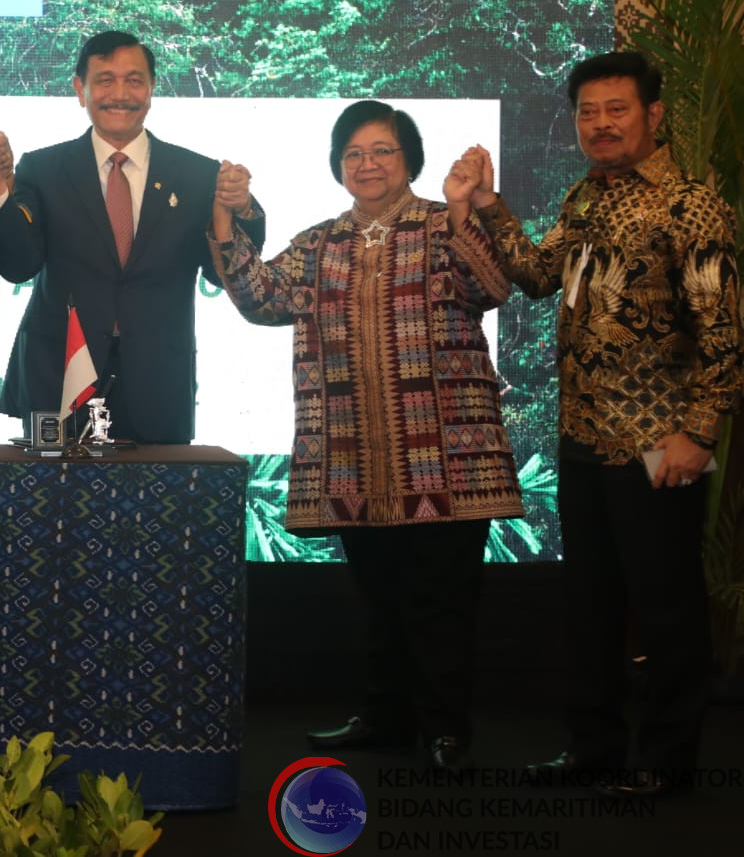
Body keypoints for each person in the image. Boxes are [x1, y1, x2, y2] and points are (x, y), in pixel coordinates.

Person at [212, 100, 524, 770]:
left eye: (382, 151)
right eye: (354, 154)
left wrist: (466, 208)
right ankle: (386, 718)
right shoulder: (319, 242)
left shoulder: (444, 227)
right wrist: (227, 217)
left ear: (408, 159)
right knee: (377, 599)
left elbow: (493, 284)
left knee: (440, 601)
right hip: (353, 454)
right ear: (338, 168)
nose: (368, 164)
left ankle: (445, 728)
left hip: (449, 455)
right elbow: (258, 298)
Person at [463, 52, 741, 796]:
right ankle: (592, 749)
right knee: (589, 607)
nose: (601, 124)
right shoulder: (585, 197)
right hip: (583, 439)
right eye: (588, 111)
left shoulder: (693, 207)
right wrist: (489, 205)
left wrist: (700, 433)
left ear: (653, 116)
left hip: (658, 444)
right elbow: (532, 275)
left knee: (667, 607)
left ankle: (666, 763)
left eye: (617, 109)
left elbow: (724, 335)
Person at [0, 30, 264, 444]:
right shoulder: (44, 169)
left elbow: (224, 278)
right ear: (80, 90)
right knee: (53, 507)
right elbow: (18, 267)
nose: (119, 94)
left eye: (134, 80)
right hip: (59, 378)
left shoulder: (197, 174)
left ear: (152, 88)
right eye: (105, 80)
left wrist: (243, 210)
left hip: (158, 385)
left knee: (159, 507)